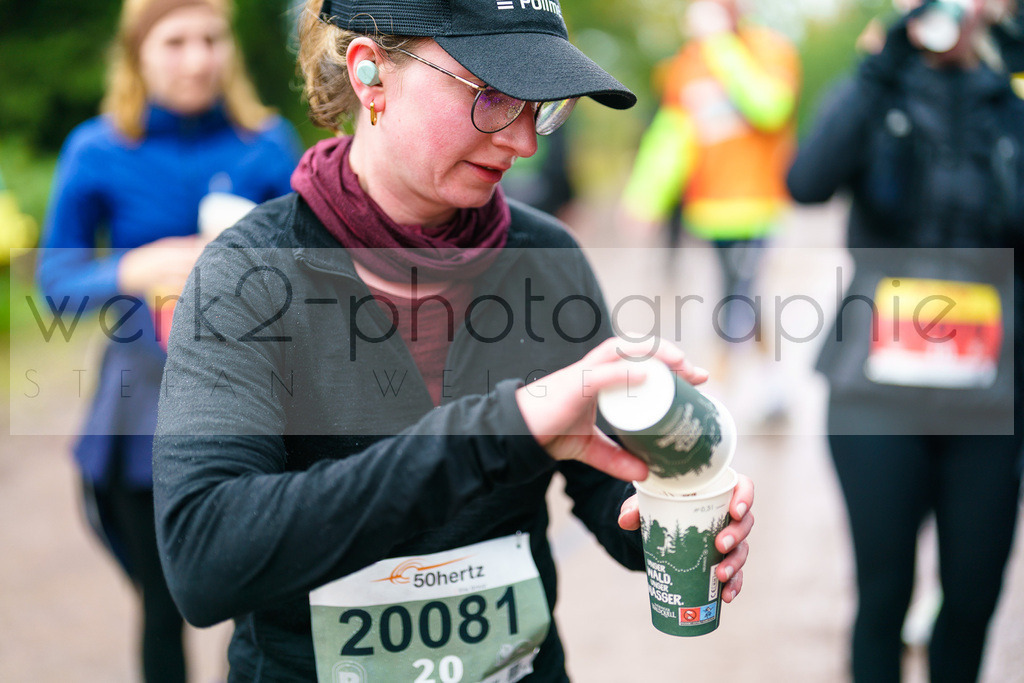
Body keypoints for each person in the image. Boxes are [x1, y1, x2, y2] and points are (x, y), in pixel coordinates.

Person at [151, 0, 756, 680]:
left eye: (541, 104)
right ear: (371, 76)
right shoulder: (248, 274)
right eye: (493, 95)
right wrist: (503, 430)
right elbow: (205, 559)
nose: (525, 142)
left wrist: (665, 520)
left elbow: (602, 478)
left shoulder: (543, 255)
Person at [36, 0, 301, 680]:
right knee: (162, 608)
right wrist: (133, 267)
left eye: (211, 39)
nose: (197, 58)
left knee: (269, 605)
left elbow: (314, 273)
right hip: (140, 417)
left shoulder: (265, 144)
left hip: (260, 409)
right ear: (137, 55)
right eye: (175, 40)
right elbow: (56, 284)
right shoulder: (96, 149)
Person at [787, 1, 1024, 680]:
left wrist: (1007, 52)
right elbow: (806, 183)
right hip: (875, 394)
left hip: (991, 396)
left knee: (975, 594)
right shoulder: (876, 93)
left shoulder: (1009, 107)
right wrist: (878, 66)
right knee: (882, 593)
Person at [622, 0, 799, 379]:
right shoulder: (686, 63)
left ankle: (726, 384)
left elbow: (771, 107)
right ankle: (772, 383)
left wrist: (721, 46)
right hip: (708, 210)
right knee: (742, 296)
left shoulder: (771, 49)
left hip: (757, 206)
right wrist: (644, 198)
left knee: (738, 297)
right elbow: (670, 137)